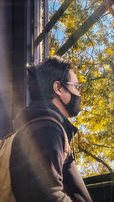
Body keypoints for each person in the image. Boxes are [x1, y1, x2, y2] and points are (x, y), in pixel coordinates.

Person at [10, 56, 93, 202]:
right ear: (58, 88)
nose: (79, 94)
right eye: (76, 87)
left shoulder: (38, 127)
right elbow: (46, 195)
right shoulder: (48, 129)